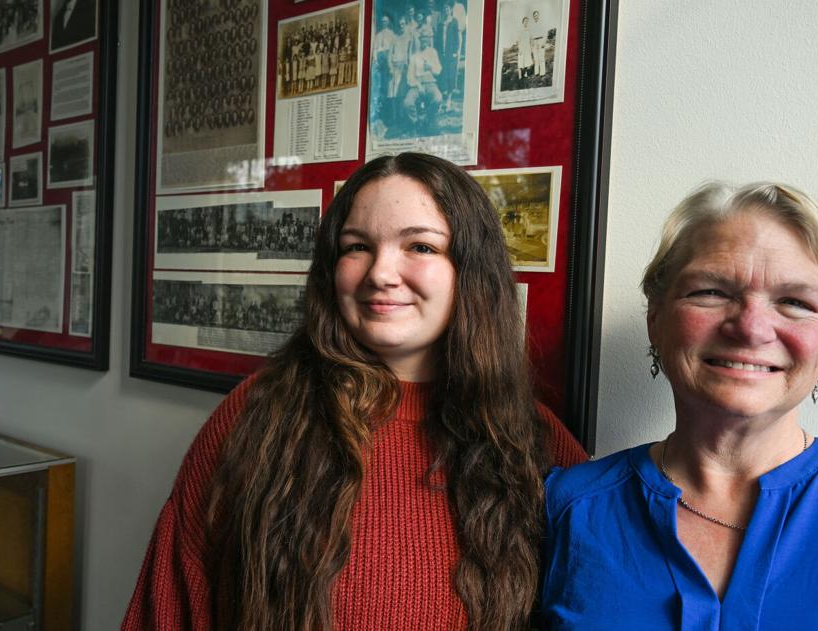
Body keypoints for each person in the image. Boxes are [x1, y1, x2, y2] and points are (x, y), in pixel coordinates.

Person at [124, 153, 588, 631]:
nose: (380, 273)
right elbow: (168, 608)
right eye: (357, 246)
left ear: (471, 271)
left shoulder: (531, 438)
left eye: (420, 246)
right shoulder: (255, 414)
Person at [540, 182, 818, 628]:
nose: (751, 328)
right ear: (655, 321)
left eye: (794, 302)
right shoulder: (564, 510)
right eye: (711, 292)